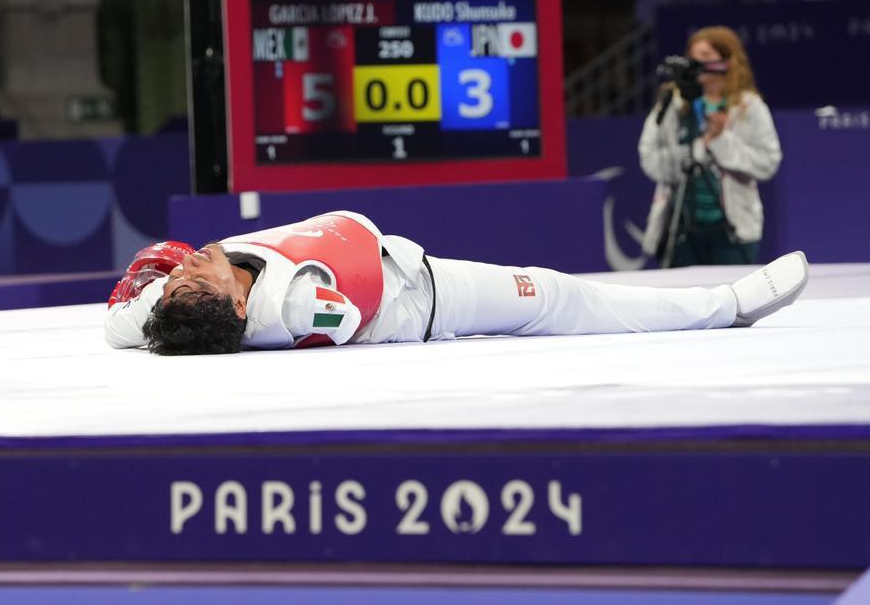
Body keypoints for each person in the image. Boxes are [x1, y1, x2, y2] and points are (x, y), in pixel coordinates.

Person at [104, 211, 809, 355]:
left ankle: (719, 305)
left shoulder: (158, 320)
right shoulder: (291, 306)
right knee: (566, 299)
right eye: (190, 277)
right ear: (238, 302)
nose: (180, 270)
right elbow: (345, 297)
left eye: (171, 284)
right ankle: (724, 308)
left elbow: (119, 314)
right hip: (434, 298)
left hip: (414, 277)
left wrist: (154, 280)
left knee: (568, 295)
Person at [637, 25, 780, 268]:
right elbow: (649, 157)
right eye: (693, 57)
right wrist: (698, 147)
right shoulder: (673, 103)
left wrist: (722, 140)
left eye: (705, 57)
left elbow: (767, 163)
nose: (697, 63)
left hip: (732, 230)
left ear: (727, 61)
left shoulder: (750, 107)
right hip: (679, 226)